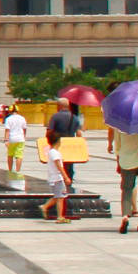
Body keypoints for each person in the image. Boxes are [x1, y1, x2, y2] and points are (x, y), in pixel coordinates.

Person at [41, 93, 85, 221]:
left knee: (59, 172)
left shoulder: (55, 117)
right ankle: (66, 201)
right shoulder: (74, 117)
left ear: (59, 106)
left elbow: (49, 131)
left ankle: (60, 202)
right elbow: (79, 133)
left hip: (58, 146)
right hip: (70, 149)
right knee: (69, 173)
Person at [2, 104, 29, 178]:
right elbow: (24, 129)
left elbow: (7, 130)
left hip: (11, 139)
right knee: (19, 155)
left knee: (10, 155)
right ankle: (17, 171)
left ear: (10, 111)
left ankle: (10, 170)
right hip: (20, 139)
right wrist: (24, 137)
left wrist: (6, 140)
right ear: (17, 111)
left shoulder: (8, 119)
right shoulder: (22, 118)